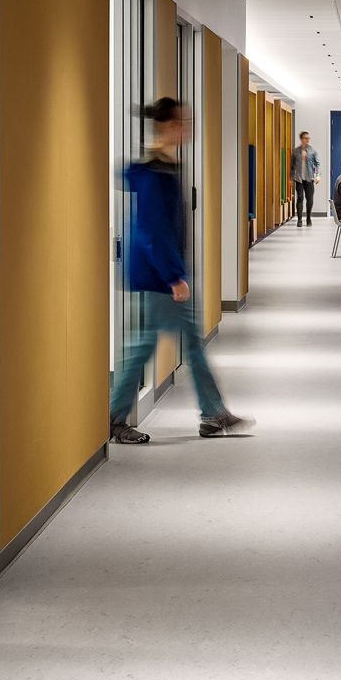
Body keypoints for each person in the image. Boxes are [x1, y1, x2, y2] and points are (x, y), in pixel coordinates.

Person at [109, 98, 253, 444]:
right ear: (166, 126)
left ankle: (213, 413)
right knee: (147, 345)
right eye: (181, 122)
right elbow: (154, 229)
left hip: (163, 269)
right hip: (158, 273)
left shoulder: (164, 165)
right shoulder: (156, 170)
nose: (186, 127)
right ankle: (116, 418)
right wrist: (173, 275)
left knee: (183, 343)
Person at [289, 130, 321, 226]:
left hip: (309, 178)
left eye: (308, 138)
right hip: (299, 178)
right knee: (300, 198)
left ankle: (308, 218)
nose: (307, 140)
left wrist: (317, 175)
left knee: (310, 199)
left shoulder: (312, 151)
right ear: (301, 139)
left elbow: (317, 164)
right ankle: (299, 220)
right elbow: (292, 166)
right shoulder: (295, 151)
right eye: (305, 138)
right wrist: (290, 179)